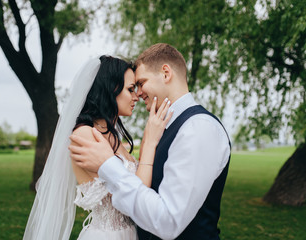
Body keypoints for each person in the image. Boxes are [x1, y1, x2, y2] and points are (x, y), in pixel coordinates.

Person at [69, 43, 231, 240]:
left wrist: (108, 164)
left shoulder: (198, 128)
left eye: (141, 83)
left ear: (165, 73)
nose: (138, 93)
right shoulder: (171, 127)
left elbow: (168, 221)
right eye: (132, 87)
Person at [23, 55, 172, 240]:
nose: (137, 97)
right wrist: (149, 142)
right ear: (110, 89)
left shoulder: (111, 134)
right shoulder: (84, 135)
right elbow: (136, 196)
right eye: (130, 89)